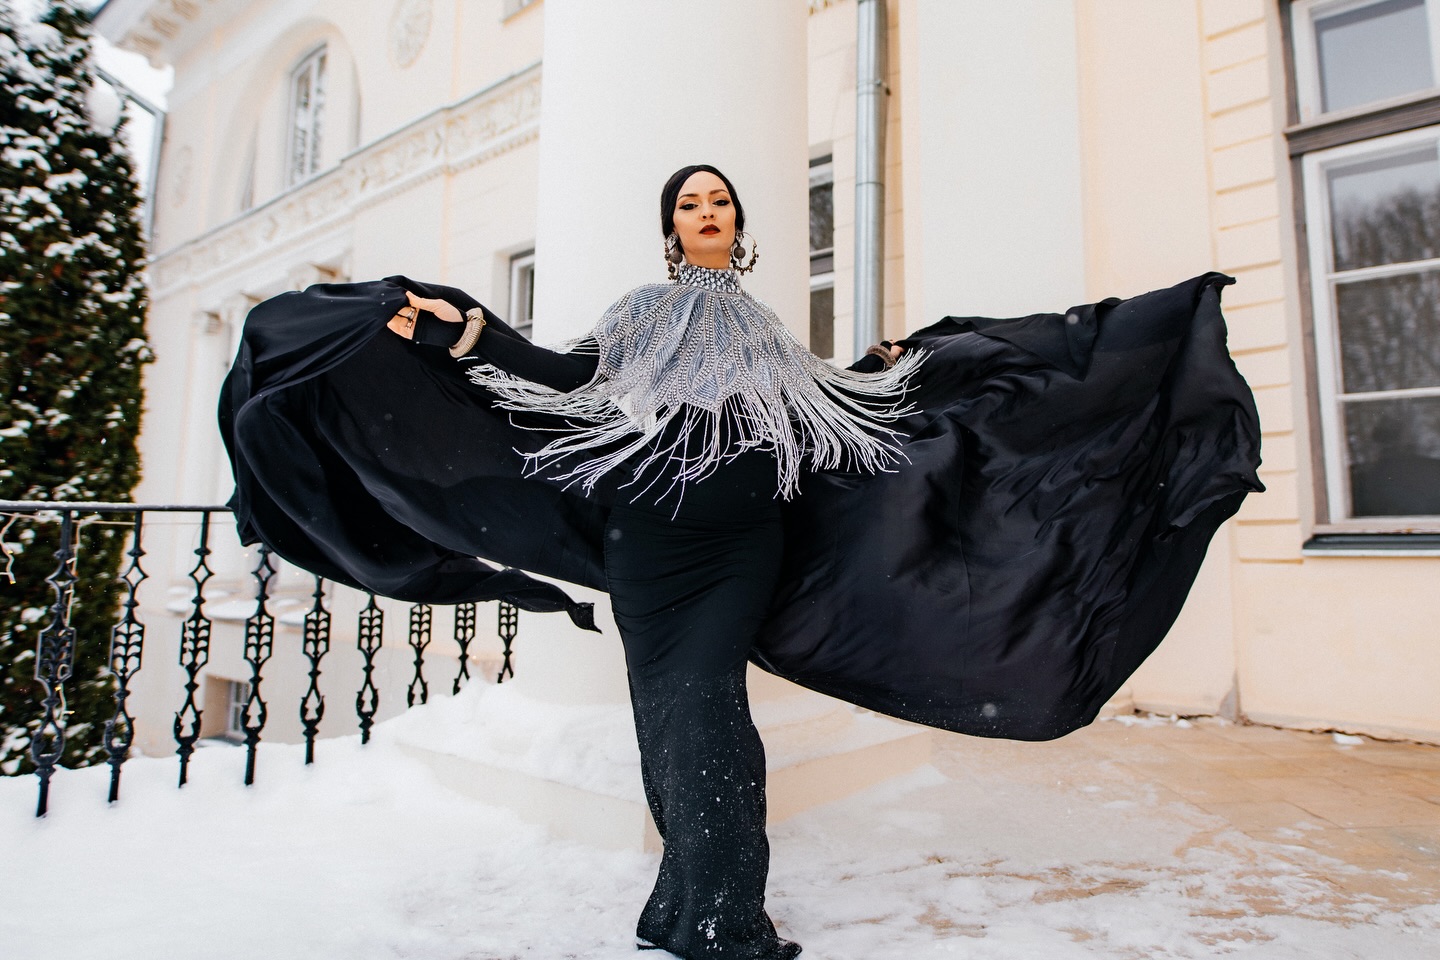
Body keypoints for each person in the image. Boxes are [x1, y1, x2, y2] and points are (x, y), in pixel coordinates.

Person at [220, 165, 1263, 960]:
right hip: (649, 535)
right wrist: (468, 333)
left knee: (710, 705)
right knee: (668, 715)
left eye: (720, 201)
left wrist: (901, 368)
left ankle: (723, 914)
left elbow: (827, 414)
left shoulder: (764, 325)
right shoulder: (640, 313)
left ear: (737, 226)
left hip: (741, 544)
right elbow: (568, 377)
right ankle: (682, 903)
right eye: (690, 203)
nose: (707, 211)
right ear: (671, 228)